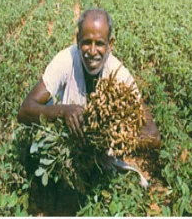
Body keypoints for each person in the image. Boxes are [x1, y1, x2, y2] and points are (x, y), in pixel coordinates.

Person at [17, 8, 159, 148]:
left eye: (99, 43)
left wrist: (111, 136)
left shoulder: (118, 73)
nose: (92, 51)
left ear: (110, 45)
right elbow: (25, 111)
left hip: (102, 155)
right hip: (67, 143)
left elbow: (153, 135)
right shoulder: (66, 60)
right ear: (78, 40)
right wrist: (62, 111)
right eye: (86, 42)